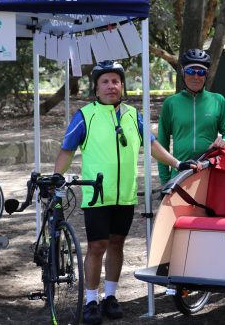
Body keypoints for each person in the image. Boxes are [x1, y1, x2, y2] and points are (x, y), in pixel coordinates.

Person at [53, 61, 199, 324]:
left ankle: (110, 296)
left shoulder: (134, 114)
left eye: (116, 81)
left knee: (117, 244)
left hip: (125, 195)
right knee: (97, 246)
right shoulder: (85, 115)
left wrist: (177, 163)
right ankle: (91, 300)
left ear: (122, 86)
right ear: (96, 89)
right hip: (97, 195)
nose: (111, 86)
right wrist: (56, 177)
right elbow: (67, 149)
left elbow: (153, 145)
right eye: (105, 82)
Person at [157, 49, 225, 184]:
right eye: (191, 71)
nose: (196, 76)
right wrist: (164, 180)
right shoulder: (171, 103)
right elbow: (162, 143)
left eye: (201, 72)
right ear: (183, 73)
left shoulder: (218, 100)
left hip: (209, 171)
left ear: (206, 75)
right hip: (179, 173)